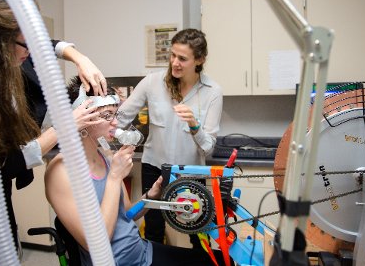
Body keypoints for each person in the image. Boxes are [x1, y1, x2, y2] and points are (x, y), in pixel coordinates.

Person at [0, 0, 105, 265]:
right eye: (25, 42)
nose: (33, 49)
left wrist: (80, 57)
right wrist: (66, 126)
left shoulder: (8, 60)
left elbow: (49, 45)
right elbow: (4, 165)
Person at [45, 76, 230, 266]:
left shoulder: (106, 155)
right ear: (83, 118)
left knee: (221, 261)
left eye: (115, 114)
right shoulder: (61, 171)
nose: (116, 123)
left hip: (140, 250)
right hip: (119, 262)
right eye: (108, 115)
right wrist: (115, 178)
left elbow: (127, 213)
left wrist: (152, 195)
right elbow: (95, 244)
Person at [116, 28, 223, 246]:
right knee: (154, 229)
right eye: (173, 55)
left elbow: (207, 147)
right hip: (154, 168)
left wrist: (194, 125)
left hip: (191, 173)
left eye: (182, 58)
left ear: (200, 60)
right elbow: (120, 117)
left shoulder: (212, 91)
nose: (175, 62)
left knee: (198, 232)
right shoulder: (152, 83)